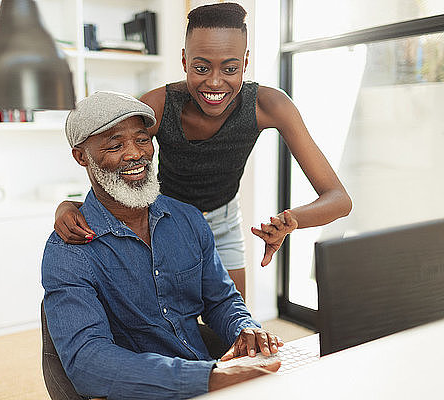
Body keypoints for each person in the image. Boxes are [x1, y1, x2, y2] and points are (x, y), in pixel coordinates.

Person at [53, 3, 352, 299]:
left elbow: (339, 199)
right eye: (201, 67)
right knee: (171, 323)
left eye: (230, 68)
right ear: (184, 61)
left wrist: (291, 220)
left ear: (245, 63)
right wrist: (73, 205)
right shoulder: (157, 105)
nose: (214, 82)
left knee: (234, 326)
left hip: (224, 222)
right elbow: (116, 162)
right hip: (162, 221)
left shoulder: (269, 105)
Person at [42, 91, 282, 400]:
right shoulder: (68, 252)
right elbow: (87, 362)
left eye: (142, 140)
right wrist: (208, 379)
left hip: (209, 377)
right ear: (81, 157)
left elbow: (221, 300)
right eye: (115, 145)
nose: (134, 154)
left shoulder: (188, 220)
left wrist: (245, 328)